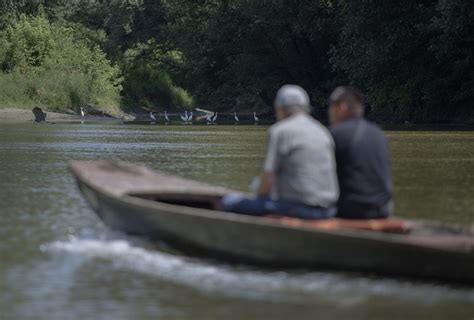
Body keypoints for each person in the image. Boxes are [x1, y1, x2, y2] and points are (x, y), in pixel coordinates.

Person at [220, 85, 339, 219]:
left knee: (229, 202)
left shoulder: (280, 131)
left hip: (298, 208)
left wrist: (258, 195)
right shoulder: (323, 131)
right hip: (329, 209)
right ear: (306, 107)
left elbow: (267, 182)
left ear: (280, 109)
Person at [328, 86, 393, 218]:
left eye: (331, 107)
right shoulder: (378, 133)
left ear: (342, 107)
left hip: (352, 210)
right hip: (384, 208)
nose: (329, 112)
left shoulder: (335, 133)